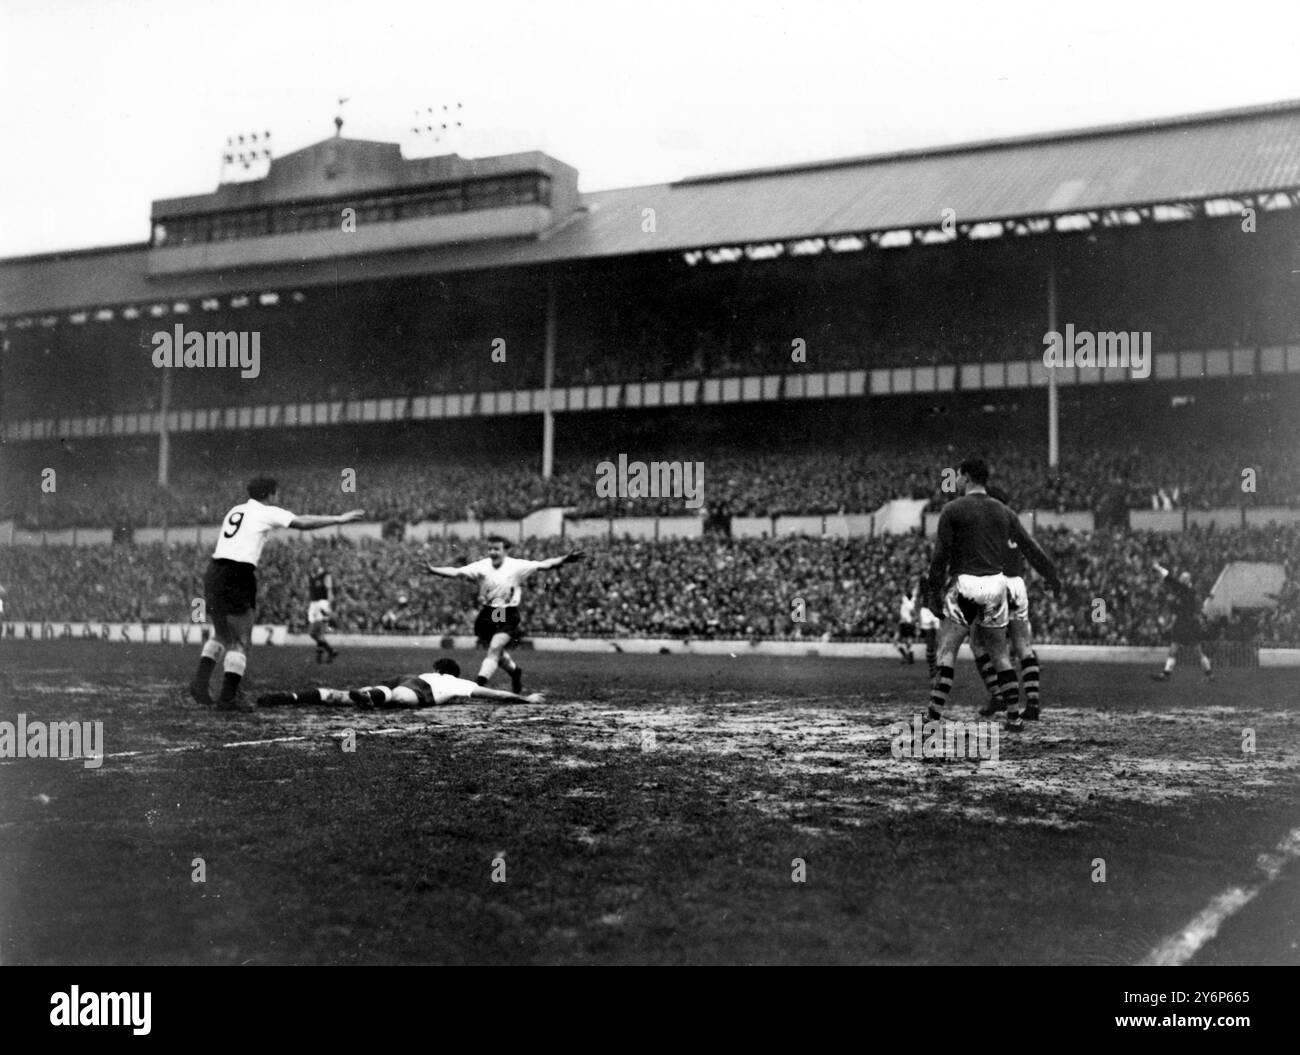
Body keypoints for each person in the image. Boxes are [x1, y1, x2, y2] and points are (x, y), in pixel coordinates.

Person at [189, 477, 364, 711]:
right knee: (241, 639)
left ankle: (200, 684)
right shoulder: (266, 511)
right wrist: (338, 519)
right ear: (270, 494)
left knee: (221, 633)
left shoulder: (236, 509)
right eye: (276, 494)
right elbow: (302, 522)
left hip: (214, 571)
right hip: (238, 572)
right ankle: (228, 698)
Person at [925, 457, 1061, 731]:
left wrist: (933, 591)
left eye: (959, 476)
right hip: (997, 584)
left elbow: (940, 555)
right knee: (1001, 654)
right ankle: (1014, 716)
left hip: (965, 582)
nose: (957, 480)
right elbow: (1030, 547)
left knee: (947, 650)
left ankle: (933, 716)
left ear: (966, 477)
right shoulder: (1004, 511)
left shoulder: (952, 510)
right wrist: (1051, 576)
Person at [422, 536, 583, 692]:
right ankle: (514, 671)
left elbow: (544, 565)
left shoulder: (517, 566)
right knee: (496, 651)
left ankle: (478, 684)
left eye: (497, 549)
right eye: (490, 549)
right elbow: (456, 572)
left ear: (505, 550)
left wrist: (564, 559)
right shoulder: (482, 566)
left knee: (494, 648)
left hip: (506, 612)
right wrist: (433, 570)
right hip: (488, 613)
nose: (493, 552)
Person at [972, 485, 1045, 720]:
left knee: (980, 644)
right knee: (1024, 645)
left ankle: (998, 696)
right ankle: (1033, 702)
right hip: (1018, 584)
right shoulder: (1015, 523)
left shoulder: (987, 523)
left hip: (996, 584)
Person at [256, 657, 545, 708]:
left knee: (340, 696)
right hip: (418, 690)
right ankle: (373, 699)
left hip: (405, 679)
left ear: (436, 667)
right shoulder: (457, 683)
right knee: (399, 698)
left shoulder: (427, 671)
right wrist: (526, 699)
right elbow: (493, 693)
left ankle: (289, 697)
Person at [1150, 563, 1214, 681]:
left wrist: (1159, 568)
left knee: (1188, 650)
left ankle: (1167, 675)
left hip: (1185, 624)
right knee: (1183, 650)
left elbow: (1170, 579)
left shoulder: (1186, 590)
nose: (1180, 579)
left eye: (1182, 578)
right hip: (1188, 624)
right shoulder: (1188, 591)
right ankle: (1208, 674)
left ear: (1186, 580)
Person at [307, 559, 339, 663]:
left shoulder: (325, 575)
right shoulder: (311, 574)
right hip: (313, 604)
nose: (313, 565)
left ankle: (319, 657)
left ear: (319, 564)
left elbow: (329, 590)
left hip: (322, 603)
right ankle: (330, 651)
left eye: (315, 563)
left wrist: (328, 606)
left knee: (319, 630)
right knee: (312, 633)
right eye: (312, 563)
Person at [894, 582, 919, 665]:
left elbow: (913, 612)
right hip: (906, 623)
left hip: (906, 623)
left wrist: (913, 619)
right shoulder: (909, 601)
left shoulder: (908, 602)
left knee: (899, 640)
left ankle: (906, 656)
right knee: (907, 641)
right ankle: (908, 656)